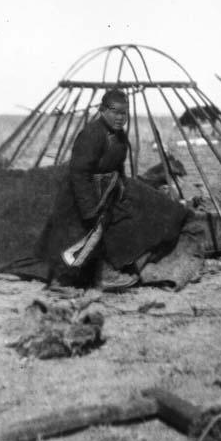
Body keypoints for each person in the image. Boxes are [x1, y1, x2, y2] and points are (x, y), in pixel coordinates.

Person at [36, 88, 189, 290]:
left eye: (124, 113)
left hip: (107, 190)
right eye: (115, 112)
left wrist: (122, 187)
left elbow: (118, 165)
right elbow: (79, 173)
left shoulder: (118, 136)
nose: (120, 117)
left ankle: (106, 272)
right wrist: (89, 207)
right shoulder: (92, 135)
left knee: (125, 221)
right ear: (102, 110)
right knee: (83, 234)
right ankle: (63, 280)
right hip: (83, 194)